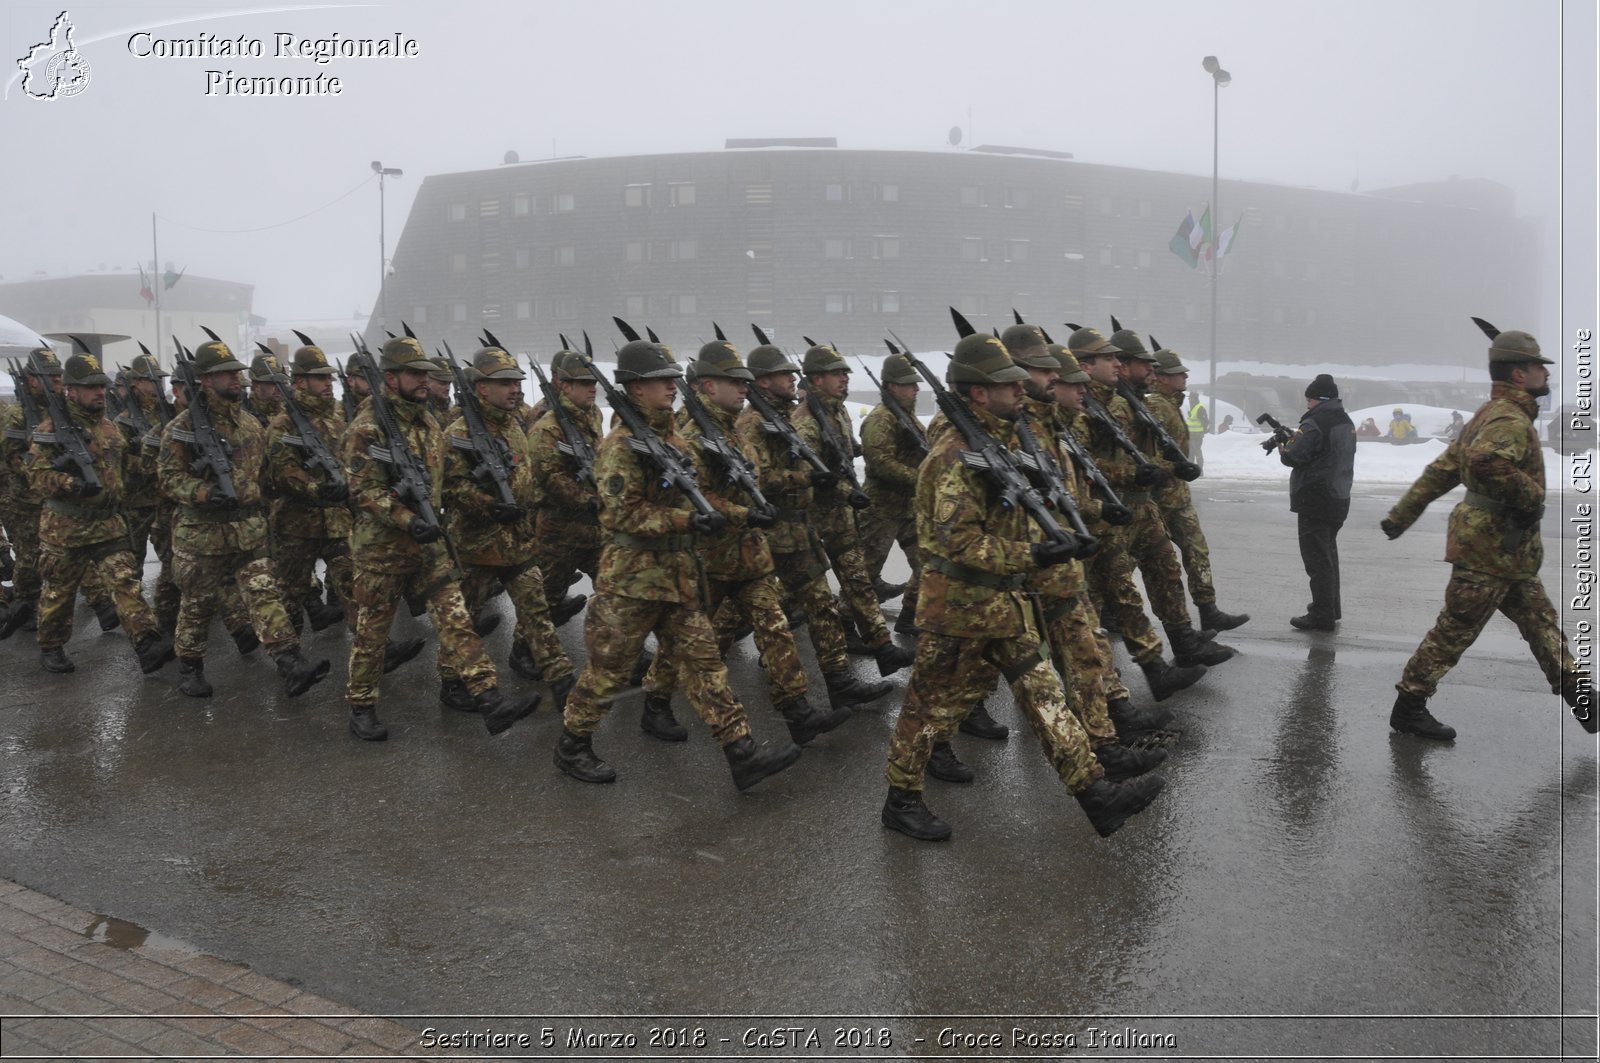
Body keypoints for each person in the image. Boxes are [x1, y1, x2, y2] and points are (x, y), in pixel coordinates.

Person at [879, 333, 1165, 842]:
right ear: (979, 394)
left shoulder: (1000, 446)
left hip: (1004, 603)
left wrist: (1051, 541)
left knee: (1043, 691)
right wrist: (1031, 554)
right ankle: (900, 800)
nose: (1021, 393)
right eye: (1008, 386)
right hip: (958, 607)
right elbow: (956, 544)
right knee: (927, 706)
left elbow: (1014, 514)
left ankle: (1095, 794)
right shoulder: (952, 458)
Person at [553, 338, 802, 790]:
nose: (672, 387)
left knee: (706, 665)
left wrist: (737, 513)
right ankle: (572, 743)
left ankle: (741, 752)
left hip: (678, 578)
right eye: (660, 381)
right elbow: (621, 514)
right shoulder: (620, 446)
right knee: (607, 671)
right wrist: (688, 518)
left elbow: (701, 497)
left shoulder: (673, 439)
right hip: (633, 581)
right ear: (634, 389)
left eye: (672, 379)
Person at [1381, 322, 1594, 739]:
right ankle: (1409, 706)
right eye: (1538, 367)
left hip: (1506, 551)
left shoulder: (1490, 414)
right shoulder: (1508, 419)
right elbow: (1484, 463)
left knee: (1541, 624)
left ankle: (1586, 701)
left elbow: (1442, 469)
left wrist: (1401, 516)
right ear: (1519, 374)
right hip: (1489, 549)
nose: (1546, 375)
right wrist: (1530, 495)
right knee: (1455, 630)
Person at [340, 335, 535, 741]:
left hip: (430, 545)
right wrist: (407, 518)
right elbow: (362, 492)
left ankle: (489, 698)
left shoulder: (428, 421)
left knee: (458, 621)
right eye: (414, 374)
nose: (424, 381)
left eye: (426, 374)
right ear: (390, 378)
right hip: (382, 550)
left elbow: (440, 481)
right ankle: (361, 704)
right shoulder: (366, 428)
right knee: (373, 635)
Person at [156, 338, 332, 699]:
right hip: (201, 534)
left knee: (265, 592)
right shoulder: (182, 427)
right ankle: (189, 667)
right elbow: (168, 478)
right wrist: (204, 492)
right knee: (198, 605)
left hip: (247, 531)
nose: (237, 378)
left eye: (236, 372)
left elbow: (265, 476)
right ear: (205, 380)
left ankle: (291, 662)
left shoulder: (251, 425)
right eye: (226, 374)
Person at [23, 351, 174, 675]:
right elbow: (36, 476)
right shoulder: (50, 430)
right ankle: (50, 645)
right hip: (66, 526)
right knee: (58, 593)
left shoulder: (108, 428)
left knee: (125, 581)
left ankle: (146, 643)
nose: (98, 393)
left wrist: (151, 464)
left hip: (108, 523)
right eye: (90, 387)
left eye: (101, 386)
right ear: (71, 391)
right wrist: (70, 483)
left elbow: (123, 468)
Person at [790, 344, 914, 677]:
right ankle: (777, 651)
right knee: (800, 592)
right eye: (837, 374)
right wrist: (847, 490)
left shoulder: (837, 411)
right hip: (815, 519)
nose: (845, 379)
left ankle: (882, 648)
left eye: (845, 373)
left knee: (859, 581)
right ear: (816, 380)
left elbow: (841, 453)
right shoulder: (804, 421)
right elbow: (811, 475)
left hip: (842, 516)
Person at [1146, 346, 1250, 632]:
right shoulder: (1155, 406)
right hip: (1157, 500)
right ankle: (1110, 614)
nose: (1186, 376)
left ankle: (1208, 610)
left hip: (1177, 497)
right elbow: (1141, 455)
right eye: (1179, 373)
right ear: (1163, 378)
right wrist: (1172, 469)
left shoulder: (1172, 405)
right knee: (1139, 560)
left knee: (1196, 550)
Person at [1277, 373, 1356, 631]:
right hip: (1338, 496)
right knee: (1328, 556)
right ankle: (1331, 609)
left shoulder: (1315, 421)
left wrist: (1284, 447)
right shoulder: (1344, 420)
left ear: (1316, 399)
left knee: (1317, 560)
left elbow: (1294, 455)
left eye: (1309, 400)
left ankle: (1321, 614)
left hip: (1315, 499)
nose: (1307, 405)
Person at [858, 351, 926, 635]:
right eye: (909, 384)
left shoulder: (907, 416)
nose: (916, 389)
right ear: (891, 386)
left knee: (927, 564)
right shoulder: (881, 419)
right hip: (881, 509)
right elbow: (879, 461)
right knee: (863, 575)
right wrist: (919, 478)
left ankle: (909, 617)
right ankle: (847, 626)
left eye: (915, 383)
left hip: (908, 507)